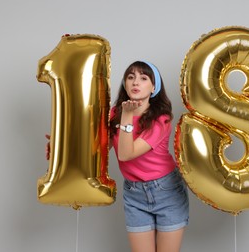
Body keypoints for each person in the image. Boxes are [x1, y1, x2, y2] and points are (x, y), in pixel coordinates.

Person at [45, 61, 189, 252]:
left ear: (154, 87)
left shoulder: (160, 120)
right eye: (131, 77)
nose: (135, 82)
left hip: (166, 191)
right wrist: (61, 148)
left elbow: (126, 154)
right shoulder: (115, 114)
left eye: (143, 78)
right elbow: (99, 148)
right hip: (134, 193)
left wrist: (127, 116)